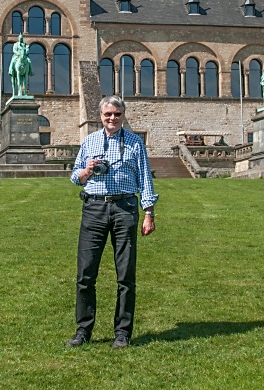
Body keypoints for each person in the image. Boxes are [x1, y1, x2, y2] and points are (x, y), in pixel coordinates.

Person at [67, 95, 158, 349]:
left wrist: (149, 212)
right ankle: (83, 330)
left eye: (117, 114)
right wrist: (86, 170)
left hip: (125, 208)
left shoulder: (135, 143)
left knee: (125, 276)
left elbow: (145, 180)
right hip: (94, 208)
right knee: (85, 274)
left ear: (123, 115)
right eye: (108, 114)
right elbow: (76, 177)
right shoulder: (89, 141)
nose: (112, 118)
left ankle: (122, 333)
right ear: (101, 116)